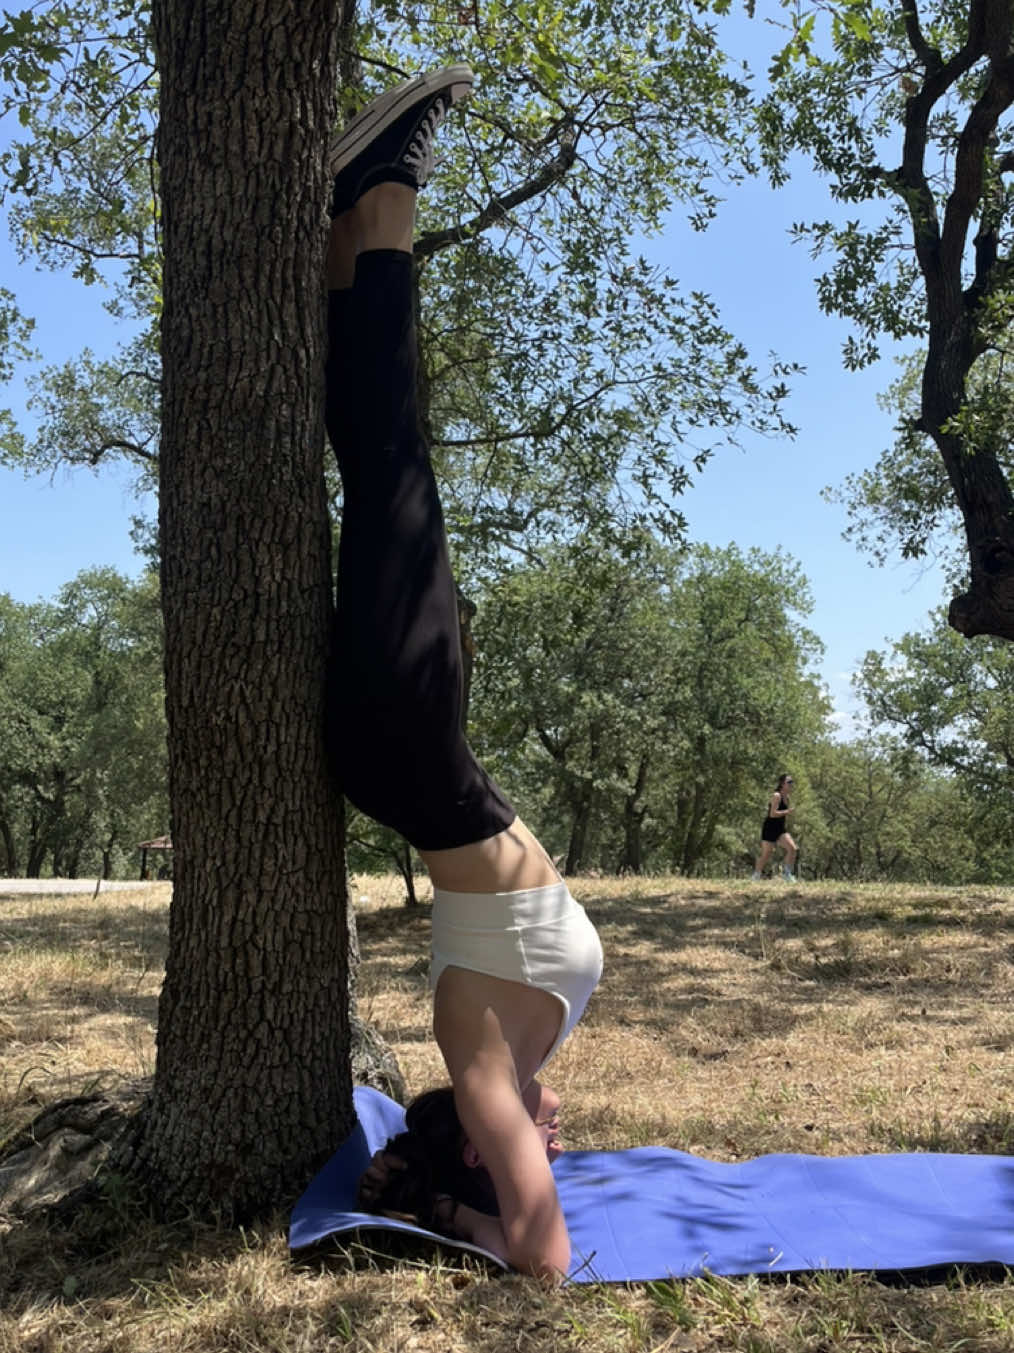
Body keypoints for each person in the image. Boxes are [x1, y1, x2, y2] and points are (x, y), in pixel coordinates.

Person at [322, 65, 603, 1281]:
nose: (550, 1135)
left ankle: (379, 191)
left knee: (395, 471)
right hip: (417, 758)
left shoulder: (478, 1048)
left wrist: (455, 1222)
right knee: (374, 476)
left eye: (523, 1147)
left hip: (412, 750)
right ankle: (346, 234)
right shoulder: (520, 1042)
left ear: (484, 1151)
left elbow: (543, 1261)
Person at [752, 773, 797, 881]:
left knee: (792, 848)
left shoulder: (787, 797)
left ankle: (787, 874)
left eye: (792, 782)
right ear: (782, 784)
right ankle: (756, 875)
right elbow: (772, 814)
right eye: (789, 782)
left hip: (780, 829)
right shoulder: (777, 796)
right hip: (770, 828)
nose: (791, 784)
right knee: (767, 853)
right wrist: (787, 811)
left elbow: (783, 815)